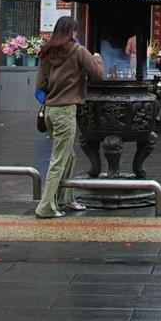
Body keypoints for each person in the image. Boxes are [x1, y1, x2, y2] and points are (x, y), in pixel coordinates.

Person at [34, 16, 103, 218]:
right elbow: (99, 74)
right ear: (72, 32)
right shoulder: (78, 51)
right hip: (65, 111)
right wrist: (97, 58)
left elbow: (40, 85)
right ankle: (46, 206)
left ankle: (66, 198)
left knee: (69, 155)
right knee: (59, 159)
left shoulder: (46, 52)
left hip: (50, 111)